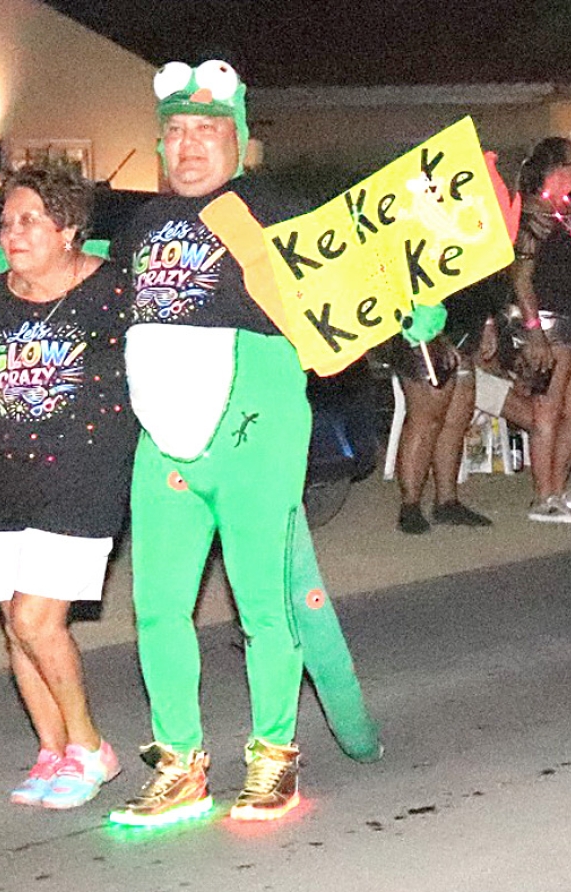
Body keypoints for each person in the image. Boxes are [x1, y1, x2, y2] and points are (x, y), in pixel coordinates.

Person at [109, 60, 377, 827]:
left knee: (262, 604)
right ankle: (180, 763)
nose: (189, 147)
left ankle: (273, 754)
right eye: (177, 133)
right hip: (164, 441)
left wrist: (412, 311)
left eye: (208, 131)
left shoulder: (274, 209)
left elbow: (363, 282)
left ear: (241, 139)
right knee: (157, 608)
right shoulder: (142, 223)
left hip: (253, 427)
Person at [0, 165, 135, 809]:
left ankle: (90, 747)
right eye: (8, 221)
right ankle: (52, 752)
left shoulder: (114, 295)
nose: (13, 232)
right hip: (0, 480)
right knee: (17, 630)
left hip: (82, 476)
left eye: (30, 220)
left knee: (35, 618)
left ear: (69, 228)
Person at [511, 137, 571, 523]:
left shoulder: (569, 211)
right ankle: (543, 496)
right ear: (556, 169)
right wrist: (534, 331)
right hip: (549, 319)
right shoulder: (534, 213)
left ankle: (558, 489)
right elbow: (521, 277)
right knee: (547, 411)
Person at [385, 281, 497, 534]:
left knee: (457, 417)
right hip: (423, 326)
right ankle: (410, 505)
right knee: (426, 418)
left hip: (464, 324)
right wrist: (436, 334)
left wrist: (488, 323)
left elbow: (483, 273)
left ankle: (447, 501)